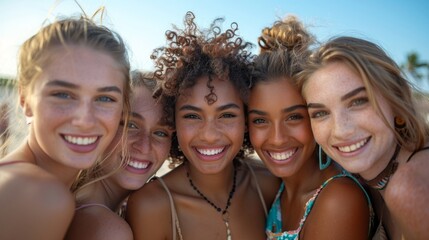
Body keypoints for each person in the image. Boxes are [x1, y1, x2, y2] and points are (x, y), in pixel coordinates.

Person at [126, 11, 280, 240]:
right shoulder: (151, 205)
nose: (209, 135)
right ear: (173, 121)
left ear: (246, 120)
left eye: (227, 115)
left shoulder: (268, 183)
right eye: (192, 116)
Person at [0, 15, 131, 240]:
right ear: (24, 100)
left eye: (105, 98)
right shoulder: (37, 195)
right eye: (63, 95)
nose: (85, 120)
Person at [248, 16, 373, 240]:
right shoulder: (278, 188)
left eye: (294, 117)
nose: (277, 138)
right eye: (260, 120)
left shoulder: (339, 199)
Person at [297, 36, 429, 239]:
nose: (341, 130)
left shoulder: (410, 189)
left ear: (396, 100)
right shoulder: (364, 181)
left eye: (358, 101)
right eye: (320, 113)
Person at [65, 70, 174, 240]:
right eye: (131, 125)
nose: (144, 146)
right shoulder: (109, 230)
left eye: (161, 133)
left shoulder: (80, 203)